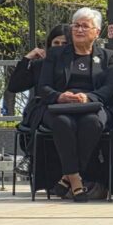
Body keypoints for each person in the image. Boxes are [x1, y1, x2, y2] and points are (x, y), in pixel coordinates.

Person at [37, 7, 113, 201]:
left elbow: (111, 87)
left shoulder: (108, 56)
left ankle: (67, 176)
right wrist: (60, 96)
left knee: (92, 123)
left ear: (96, 32)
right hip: (60, 107)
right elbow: (43, 86)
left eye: (84, 26)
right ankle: (75, 179)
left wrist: (89, 97)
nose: (79, 30)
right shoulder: (56, 54)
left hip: (93, 107)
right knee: (63, 123)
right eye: (76, 25)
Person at [8, 25, 68, 173]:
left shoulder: (77, 66)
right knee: (40, 107)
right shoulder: (40, 65)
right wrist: (27, 59)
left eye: (64, 43)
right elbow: (14, 86)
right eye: (56, 43)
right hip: (43, 110)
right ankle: (30, 157)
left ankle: (30, 156)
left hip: (66, 110)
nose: (59, 47)